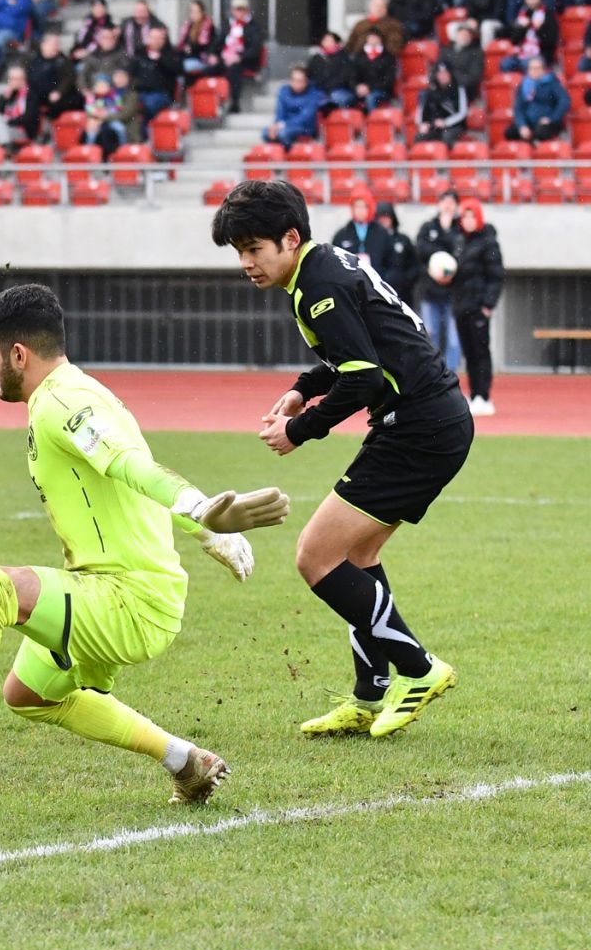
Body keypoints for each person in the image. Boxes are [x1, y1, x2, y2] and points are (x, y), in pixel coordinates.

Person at [0, 285, 280, 805]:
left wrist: (201, 510)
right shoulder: (83, 392)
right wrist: (204, 531)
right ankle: (187, 762)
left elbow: (128, 466)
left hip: (129, 600)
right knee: (29, 695)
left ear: (17, 354)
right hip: (113, 590)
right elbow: (130, 477)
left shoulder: (62, 403)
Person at [212, 180, 469, 739]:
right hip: (429, 419)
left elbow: (364, 376)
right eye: (239, 252)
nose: (246, 263)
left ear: (290, 237)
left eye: (254, 249)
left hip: (420, 426)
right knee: (356, 553)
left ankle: (421, 671)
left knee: (314, 556)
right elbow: (360, 350)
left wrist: (300, 430)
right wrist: (305, 387)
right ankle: (368, 695)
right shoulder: (324, 267)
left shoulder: (317, 284)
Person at [452, 198, 504, 416]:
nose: (469, 221)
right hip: (461, 305)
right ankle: (474, 394)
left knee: (481, 351)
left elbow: (496, 275)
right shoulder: (459, 240)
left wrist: (487, 304)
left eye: (472, 216)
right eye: (465, 216)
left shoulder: (489, 242)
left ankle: (484, 395)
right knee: (469, 353)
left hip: (478, 306)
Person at [415, 191, 466, 373]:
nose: (448, 206)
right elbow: (421, 250)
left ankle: (451, 371)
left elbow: (462, 252)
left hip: (453, 293)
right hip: (430, 292)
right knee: (430, 333)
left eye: (452, 202)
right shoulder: (428, 227)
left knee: (454, 336)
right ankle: (433, 370)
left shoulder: (460, 228)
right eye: (444, 201)